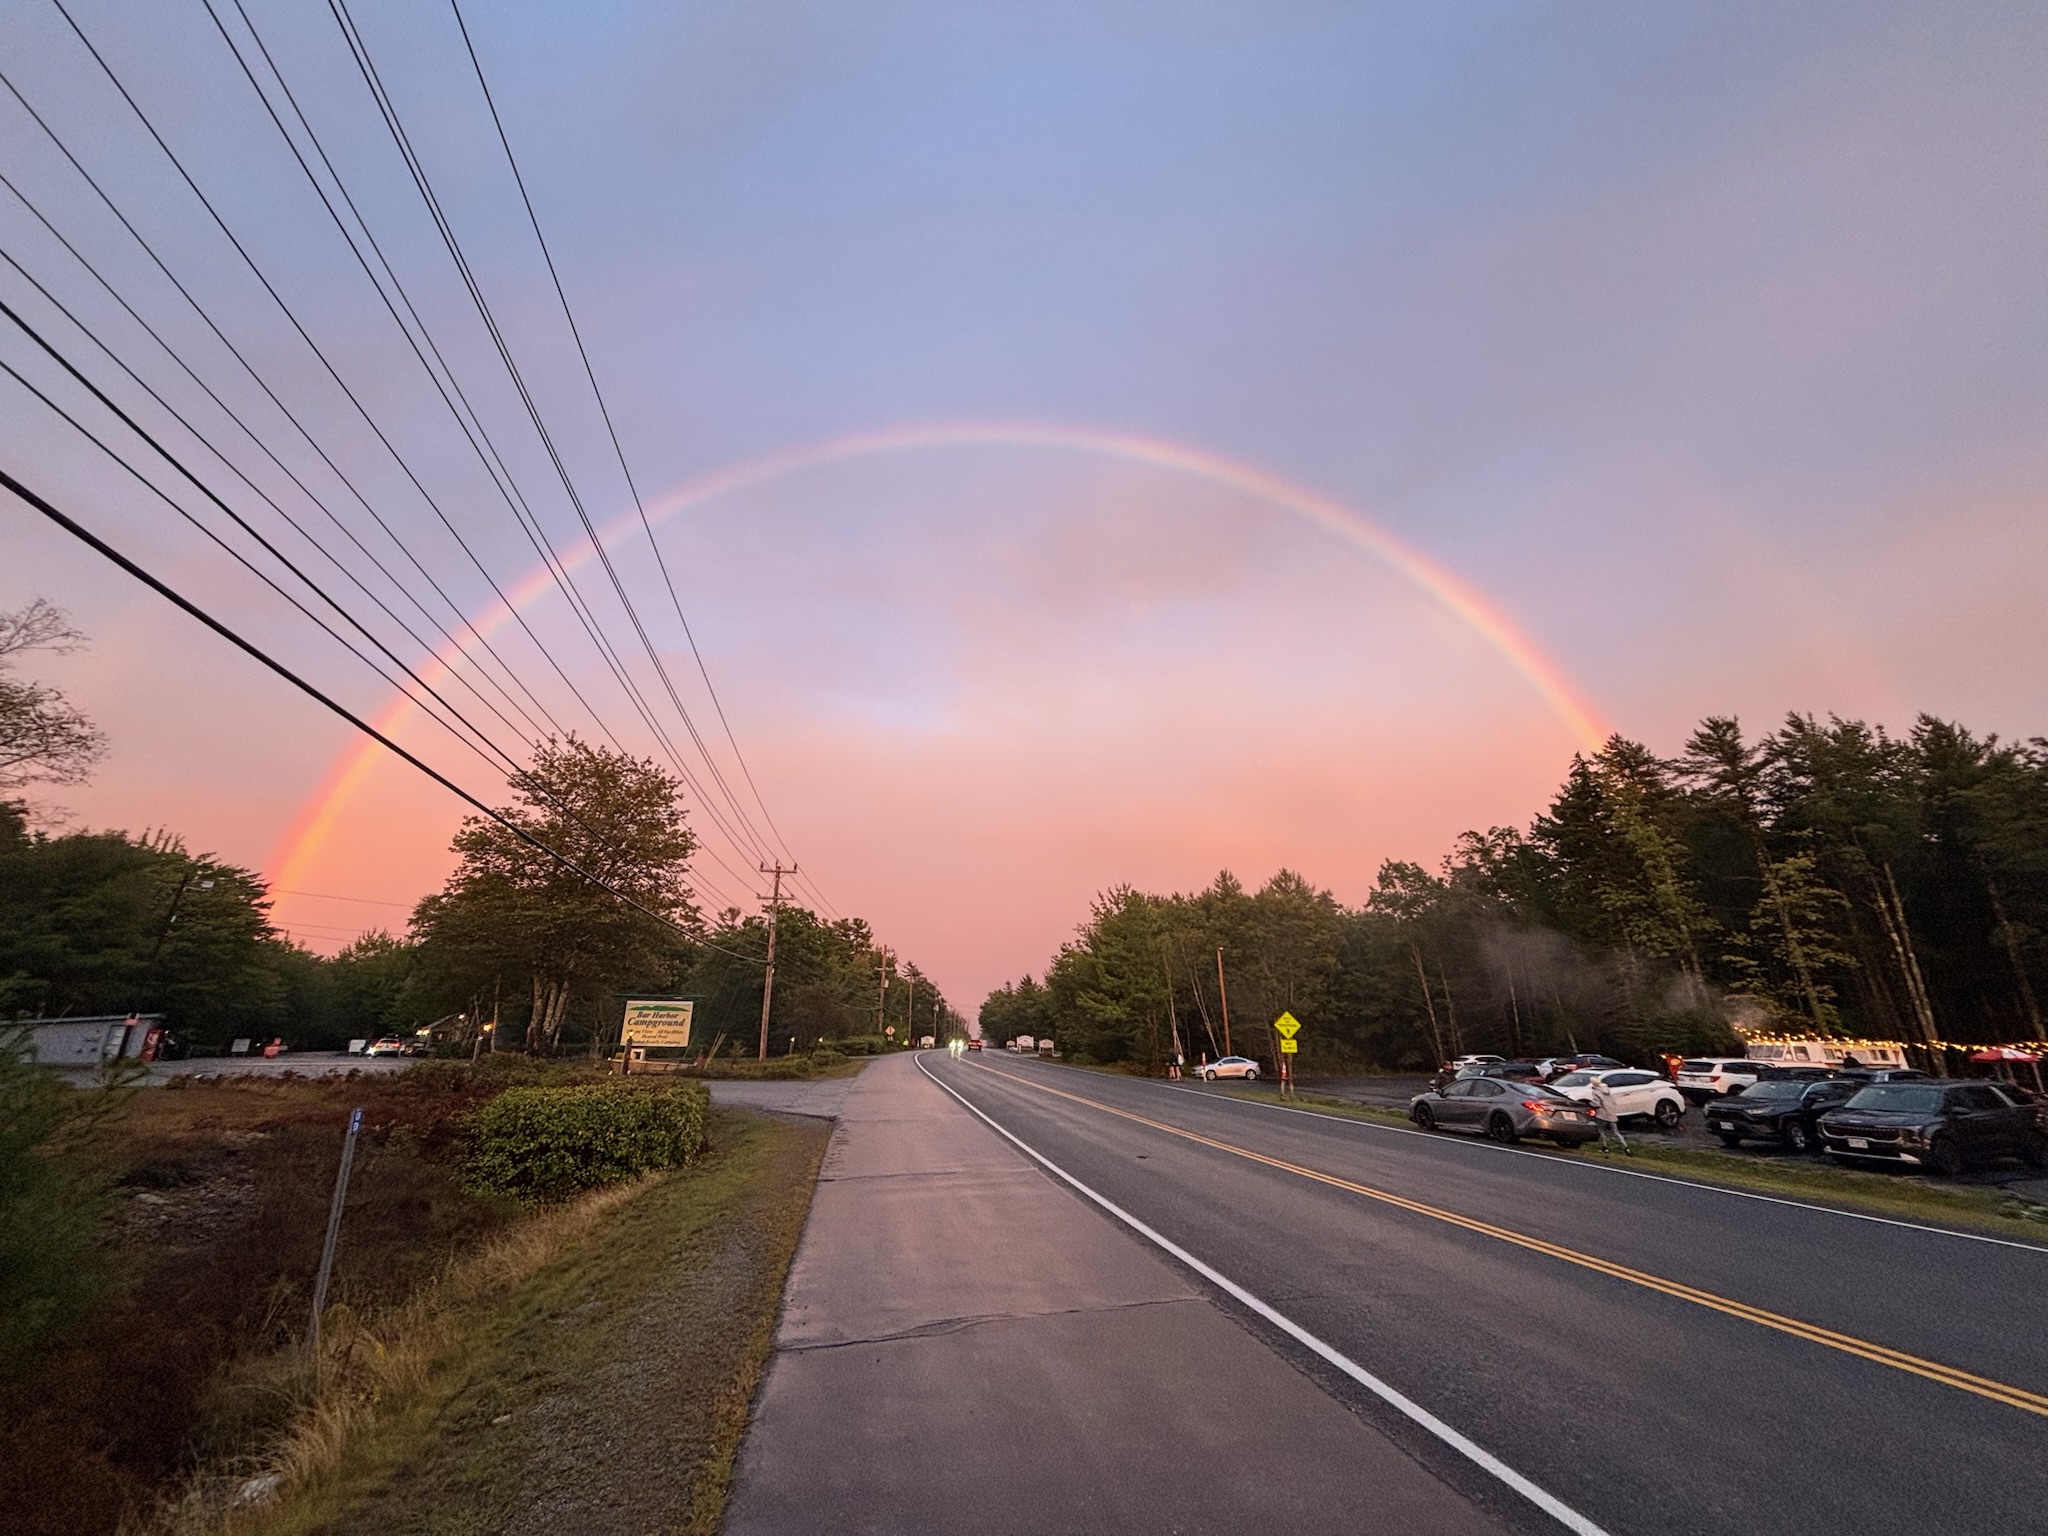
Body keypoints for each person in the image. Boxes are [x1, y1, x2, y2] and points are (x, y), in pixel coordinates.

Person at [1590, 1075, 1631, 1155]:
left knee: (1601, 1131)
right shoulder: (1606, 1090)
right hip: (1611, 1113)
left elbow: (1597, 1104)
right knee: (1616, 1132)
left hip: (1602, 1114)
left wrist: (1590, 1103)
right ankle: (1625, 1147)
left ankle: (1605, 1148)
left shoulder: (1595, 1092)